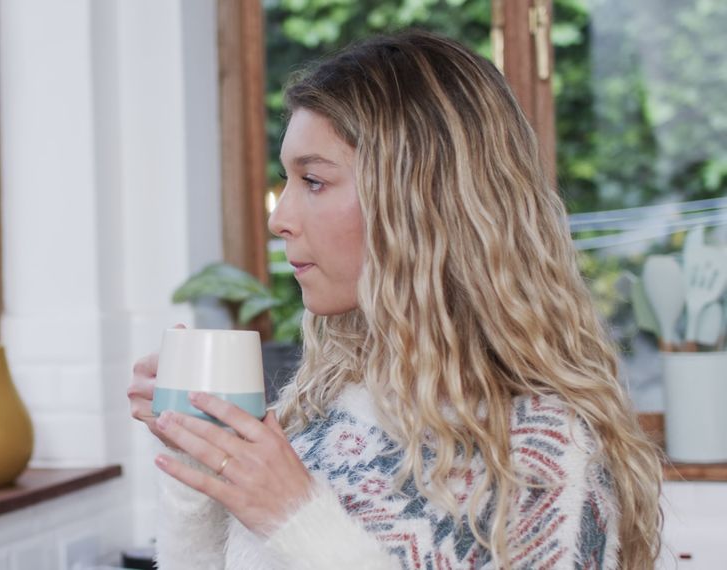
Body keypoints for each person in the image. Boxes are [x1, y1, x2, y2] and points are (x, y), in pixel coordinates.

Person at [128, 30, 662, 569]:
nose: (278, 219)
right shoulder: (320, 411)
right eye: (285, 180)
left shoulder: (544, 450)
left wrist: (296, 515)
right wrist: (194, 461)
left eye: (313, 180)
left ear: (417, 202)